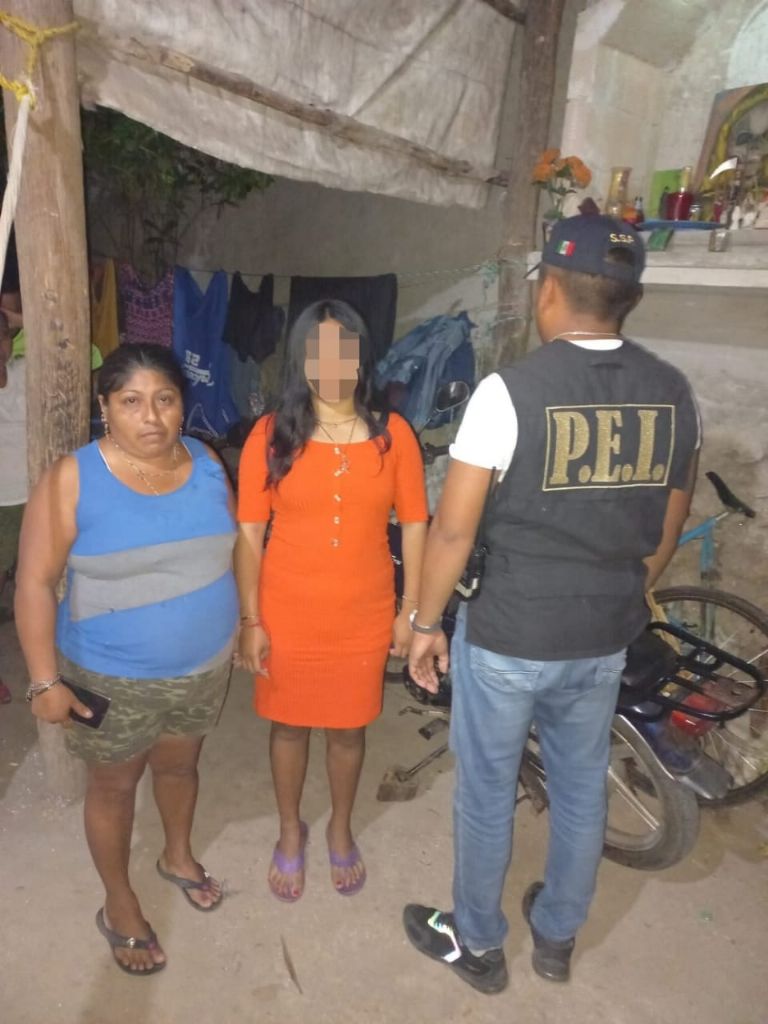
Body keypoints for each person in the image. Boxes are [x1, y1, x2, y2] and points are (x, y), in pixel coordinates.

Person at [403, 215, 700, 993]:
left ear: (550, 292)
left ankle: (478, 944)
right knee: (578, 784)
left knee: (486, 792)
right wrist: (621, 593)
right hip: (601, 637)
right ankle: (559, 934)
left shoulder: (509, 393)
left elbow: (453, 530)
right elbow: (669, 522)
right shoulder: (673, 392)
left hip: (509, 634)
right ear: (628, 299)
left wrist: (425, 624)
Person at [14, 343, 238, 975]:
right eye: (131, 401)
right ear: (105, 406)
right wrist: (44, 682)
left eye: (165, 399)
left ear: (182, 404)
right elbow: (34, 583)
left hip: (203, 667)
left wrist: (250, 624)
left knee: (180, 767)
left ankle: (175, 855)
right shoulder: (72, 479)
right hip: (110, 676)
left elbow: (237, 549)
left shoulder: (206, 462)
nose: (151, 416)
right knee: (114, 786)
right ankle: (118, 902)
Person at [236, 299, 428, 900]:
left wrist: (411, 613)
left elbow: (415, 526)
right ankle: (289, 829)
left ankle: (340, 827)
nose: (331, 363)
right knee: (289, 726)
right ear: (300, 359)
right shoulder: (271, 435)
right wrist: (250, 619)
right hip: (288, 611)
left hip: (363, 612)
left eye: (343, 349)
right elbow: (249, 533)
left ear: (361, 356)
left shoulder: (393, 436)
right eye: (317, 351)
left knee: (348, 730)